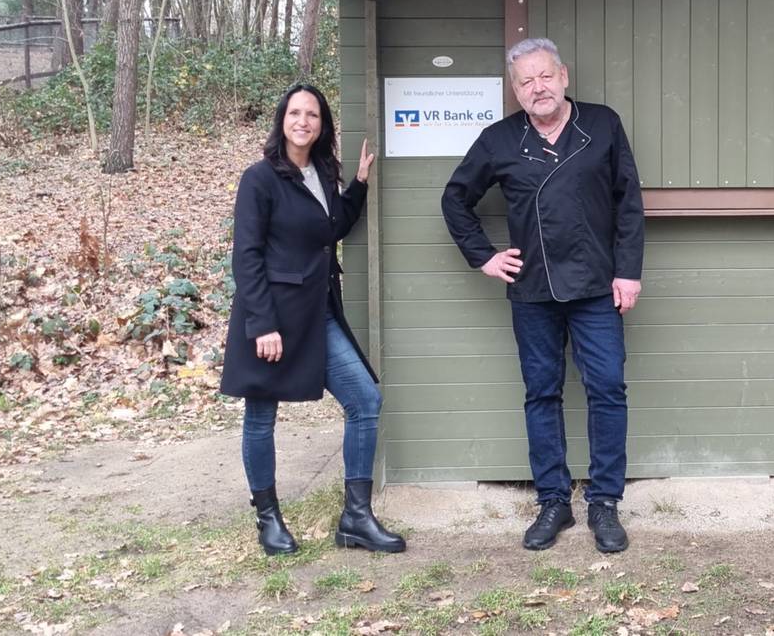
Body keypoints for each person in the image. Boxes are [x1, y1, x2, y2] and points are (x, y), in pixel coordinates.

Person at [441, 38, 644, 554]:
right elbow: (455, 198)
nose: (538, 88)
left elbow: (628, 206)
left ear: (564, 76)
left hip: (598, 285)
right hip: (532, 290)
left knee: (607, 391)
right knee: (542, 393)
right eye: (526, 81)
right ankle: (553, 500)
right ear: (516, 90)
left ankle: (604, 503)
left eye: (545, 76)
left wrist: (628, 272)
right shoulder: (500, 140)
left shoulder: (601, 126)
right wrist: (483, 256)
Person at [220, 83, 405, 556]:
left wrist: (359, 185)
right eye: (296, 112)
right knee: (261, 417)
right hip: (272, 319)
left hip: (319, 314)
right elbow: (246, 256)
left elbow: (331, 228)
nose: (303, 121)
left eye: (313, 115)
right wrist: (262, 324)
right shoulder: (259, 179)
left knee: (365, 400)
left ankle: (356, 519)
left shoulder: (322, 174)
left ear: (322, 126)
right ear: (282, 119)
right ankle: (268, 520)